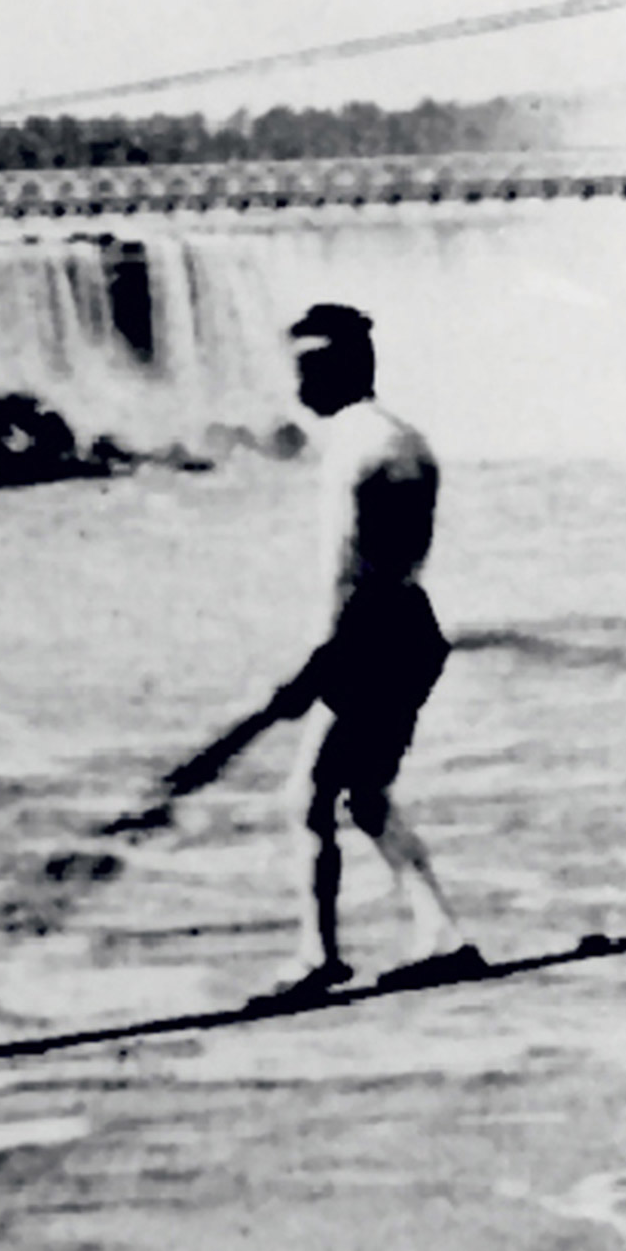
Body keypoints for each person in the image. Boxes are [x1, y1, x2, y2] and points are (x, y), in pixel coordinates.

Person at [143, 303, 483, 1002]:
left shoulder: (351, 453)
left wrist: (314, 665)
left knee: (308, 797)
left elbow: (345, 568)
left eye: (305, 369)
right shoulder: (407, 439)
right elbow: (402, 560)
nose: (296, 386)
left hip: (366, 635)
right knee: (366, 794)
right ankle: (440, 932)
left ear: (333, 370)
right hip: (413, 625)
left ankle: (318, 955)